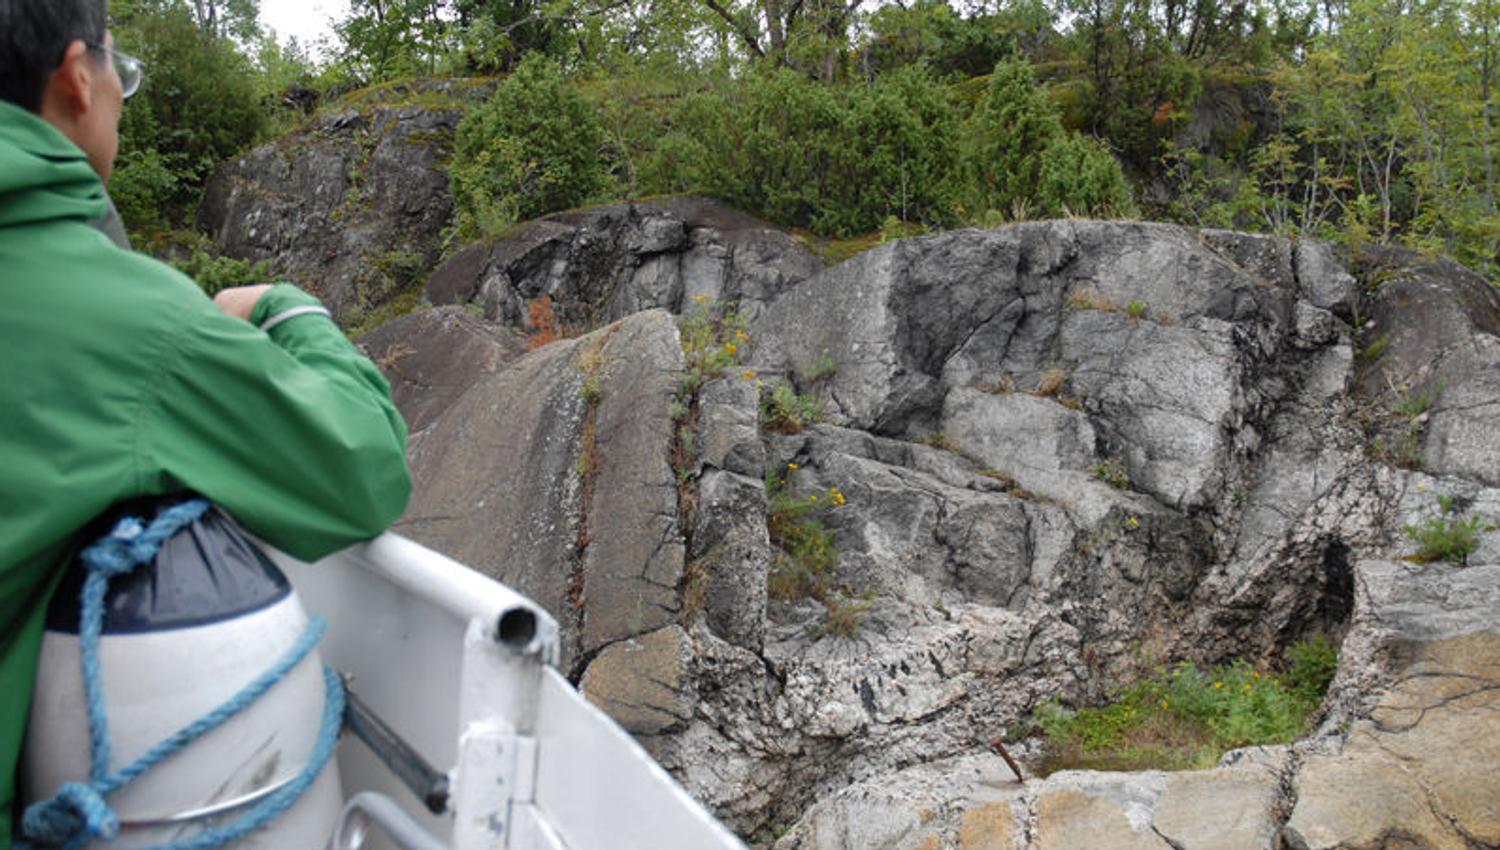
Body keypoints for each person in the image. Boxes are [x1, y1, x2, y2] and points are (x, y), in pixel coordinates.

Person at [0, 2, 413, 844]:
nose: (121, 93)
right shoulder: (128, 322)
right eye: (122, 72)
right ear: (78, 77)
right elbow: (364, 469)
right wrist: (285, 310)